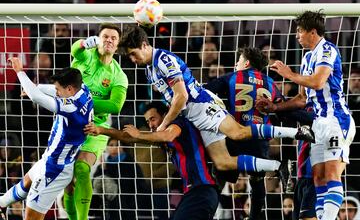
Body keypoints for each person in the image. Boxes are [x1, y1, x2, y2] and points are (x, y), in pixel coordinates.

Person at [119, 25, 314, 179]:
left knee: (238, 133)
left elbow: (182, 96)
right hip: (192, 114)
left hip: (203, 107)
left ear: (145, 45)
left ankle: (297, 132)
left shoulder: (164, 60)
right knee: (223, 162)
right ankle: (279, 166)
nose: (132, 59)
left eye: (133, 53)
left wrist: (163, 124)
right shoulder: (149, 68)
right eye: (129, 56)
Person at [84, 101, 293, 219]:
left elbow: (160, 135)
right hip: (196, 193)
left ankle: (279, 161)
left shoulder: (178, 124)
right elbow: (132, 137)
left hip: (203, 191)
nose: (150, 125)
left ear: (166, 114)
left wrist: (138, 134)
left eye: (153, 119)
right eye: (147, 121)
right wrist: (101, 129)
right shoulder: (162, 136)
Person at [256, 10, 356, 220]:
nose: (297, 36)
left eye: (300, 31)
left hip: (336, 120)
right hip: (319, 124)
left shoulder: (327, 50)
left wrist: (289, 74)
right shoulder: (308, 57)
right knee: (318, 178)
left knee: (331, 174)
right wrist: (275, 108)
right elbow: (302, 99)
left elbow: (318, 82)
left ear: (312, 32)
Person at [0, 57, 93, 220]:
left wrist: (20, 72)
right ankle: (1, 204)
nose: (56, 93)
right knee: (25, 183)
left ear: (70, 89)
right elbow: (47, 91)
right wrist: (37, 87)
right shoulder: (84, 91)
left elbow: (36, 98)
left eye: (59, 90)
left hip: (55, 169)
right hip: (55, 160)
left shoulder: (70, 108)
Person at [204, 46, 287, 220]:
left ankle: (206, 212)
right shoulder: (270, 83)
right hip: (258, 137)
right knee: (257, 181)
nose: (236, 64)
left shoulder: (232, 77)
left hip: (235, 134)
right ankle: (255, 217)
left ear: (246, 63)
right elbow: (285, 110)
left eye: (239, 60)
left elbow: (207, 91)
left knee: (219, 175)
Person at [64, 23, 128, 220]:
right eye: (105, 36)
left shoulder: (119, 76)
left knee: (82, 168)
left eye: (113, 38)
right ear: (98, 39)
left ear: (117, 46)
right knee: (67, 179)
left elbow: (115, 106)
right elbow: (75, 49)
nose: (109, 40)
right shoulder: (86, 57)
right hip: (68, 124)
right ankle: (72, 216)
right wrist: (83, 43)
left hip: (95, 129)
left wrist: (82, 101)